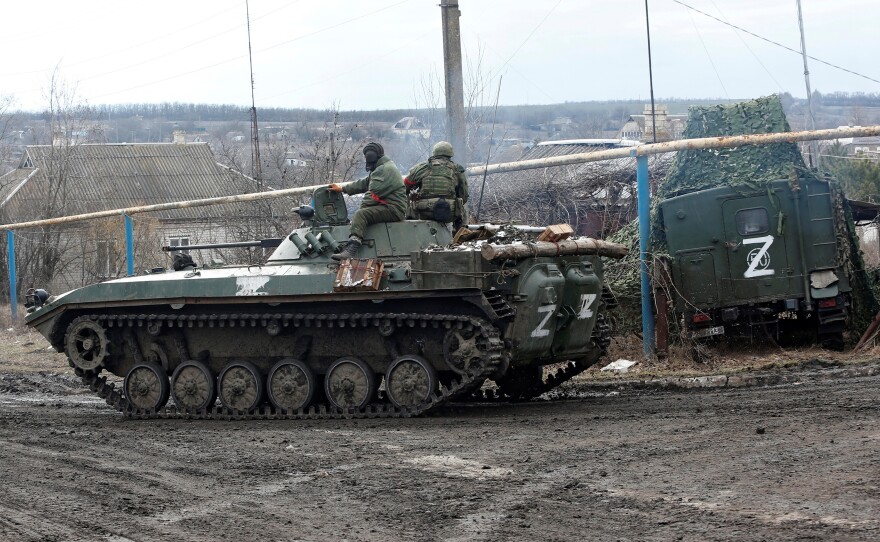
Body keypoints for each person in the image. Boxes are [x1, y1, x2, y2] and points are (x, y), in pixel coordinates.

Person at [329, 142, 406, 260]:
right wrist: (342, 189)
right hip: (389, 206)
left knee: (361, 214)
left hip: (393, 209)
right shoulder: (382, 167)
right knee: (361, 214)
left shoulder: (384, 170)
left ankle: (351, 249)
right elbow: (365, 183)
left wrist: (361, 214)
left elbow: (372, 194)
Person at [404, 141, 469, 230]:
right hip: (449, 213)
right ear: (450, 154)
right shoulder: (457, 169)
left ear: (434, 153)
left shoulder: (422, 167)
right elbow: (464, 195)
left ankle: (410, 230)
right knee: (461, 207)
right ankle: (458, 236)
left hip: (424, 212)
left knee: (410, 200)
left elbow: (405, 187)